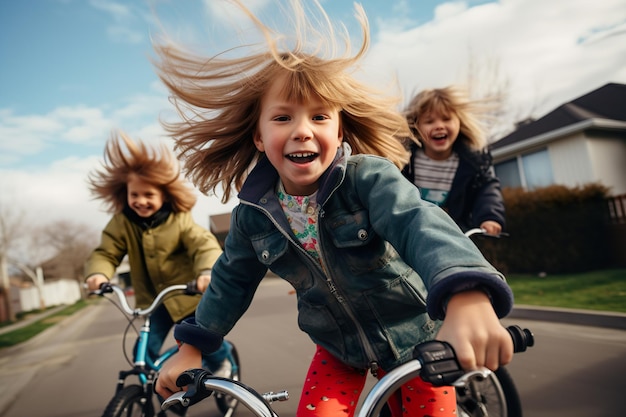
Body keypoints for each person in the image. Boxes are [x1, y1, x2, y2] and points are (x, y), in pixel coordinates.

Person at [153, 2, 514, 417]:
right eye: (283, 117)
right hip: (338, 348)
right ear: (258, 136)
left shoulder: (367, 179)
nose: (302, 130)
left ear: (338, 129)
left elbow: (418, 221)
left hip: (416, 335)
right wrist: (192, 346)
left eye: (319, 117)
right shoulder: (253, 215)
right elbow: (229, 281)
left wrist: (464, 292)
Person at [83, 131, 231, 379]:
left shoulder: (179, 220)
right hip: (155, 302)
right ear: (125, 194)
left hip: (187, 296)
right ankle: (153, 388)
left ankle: (223, 362)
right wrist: (98, 273)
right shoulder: (121, 223)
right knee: (143, 350)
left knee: (202, 338)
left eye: (148, 195)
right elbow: (106, 252)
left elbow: (203, 244)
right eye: (134, 195)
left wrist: (207, 272)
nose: (141, 201)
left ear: (164, 195)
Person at [402, 86, 505, 235]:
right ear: (416, 126)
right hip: (411, 235)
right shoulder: (404, 162)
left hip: (454, 236)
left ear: (459, 122)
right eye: (429, 121)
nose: (439, 126)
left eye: (446, 119)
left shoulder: (472, 164)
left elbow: (486, 190)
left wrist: (489, 217)